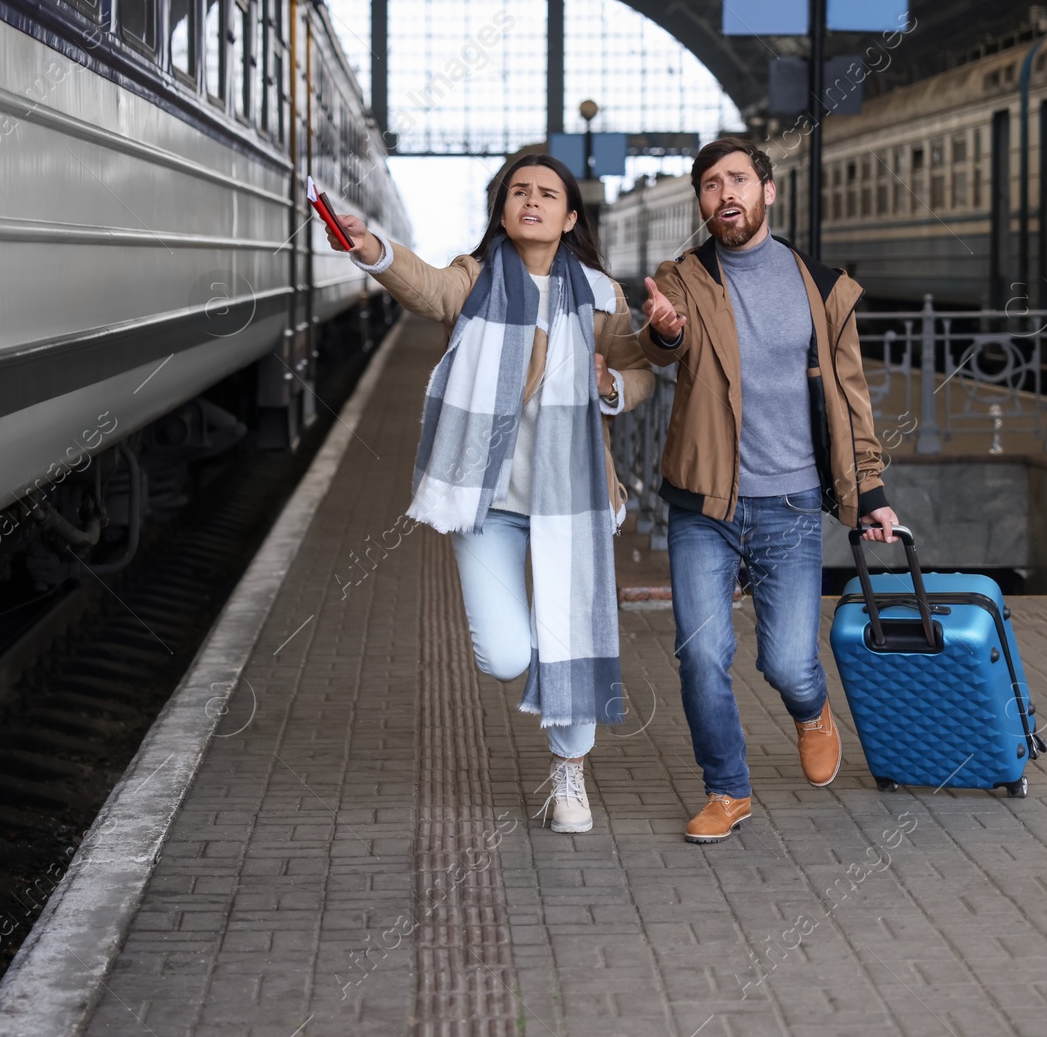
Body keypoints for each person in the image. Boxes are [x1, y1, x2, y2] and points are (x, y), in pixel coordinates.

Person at [324, 154, 654, 833]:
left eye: (547, 194)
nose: (530, 201)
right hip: (487, 498)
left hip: (572, 501)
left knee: (568, 637)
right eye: (518, 192)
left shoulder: (599, 293)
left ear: (569, 218)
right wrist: (372, 249)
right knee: (504, 653)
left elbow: (635, 369)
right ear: (502, 210)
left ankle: (570, 773)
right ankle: (556, 656)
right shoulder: (473, 279)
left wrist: (610, 385)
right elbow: (425, 289)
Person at [637, 137, 900, 844]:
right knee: (700, 652)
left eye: (738, 180)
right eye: (712, 185)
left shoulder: (822, 286)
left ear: (768, 191)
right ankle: (727, 789)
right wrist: (662, 334)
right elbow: (667, 343)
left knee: (786, 661)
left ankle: (812, 709)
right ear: (702, 202)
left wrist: (869, 490)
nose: (726, 194)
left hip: (789, 505)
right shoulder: (686, 278)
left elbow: (850, 397)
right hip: (704, 505)